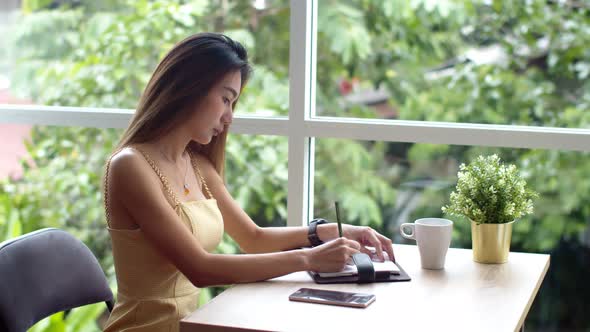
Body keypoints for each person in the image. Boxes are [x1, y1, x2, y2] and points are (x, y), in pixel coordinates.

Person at [102, 32, 395, 332]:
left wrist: (323, 232)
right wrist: (309, 259)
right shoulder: (131, 166)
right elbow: (200, 269)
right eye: (226, 99)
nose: (229, 117)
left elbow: (253, 238)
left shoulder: (197, 165)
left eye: (234, 103)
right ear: (190, 86)